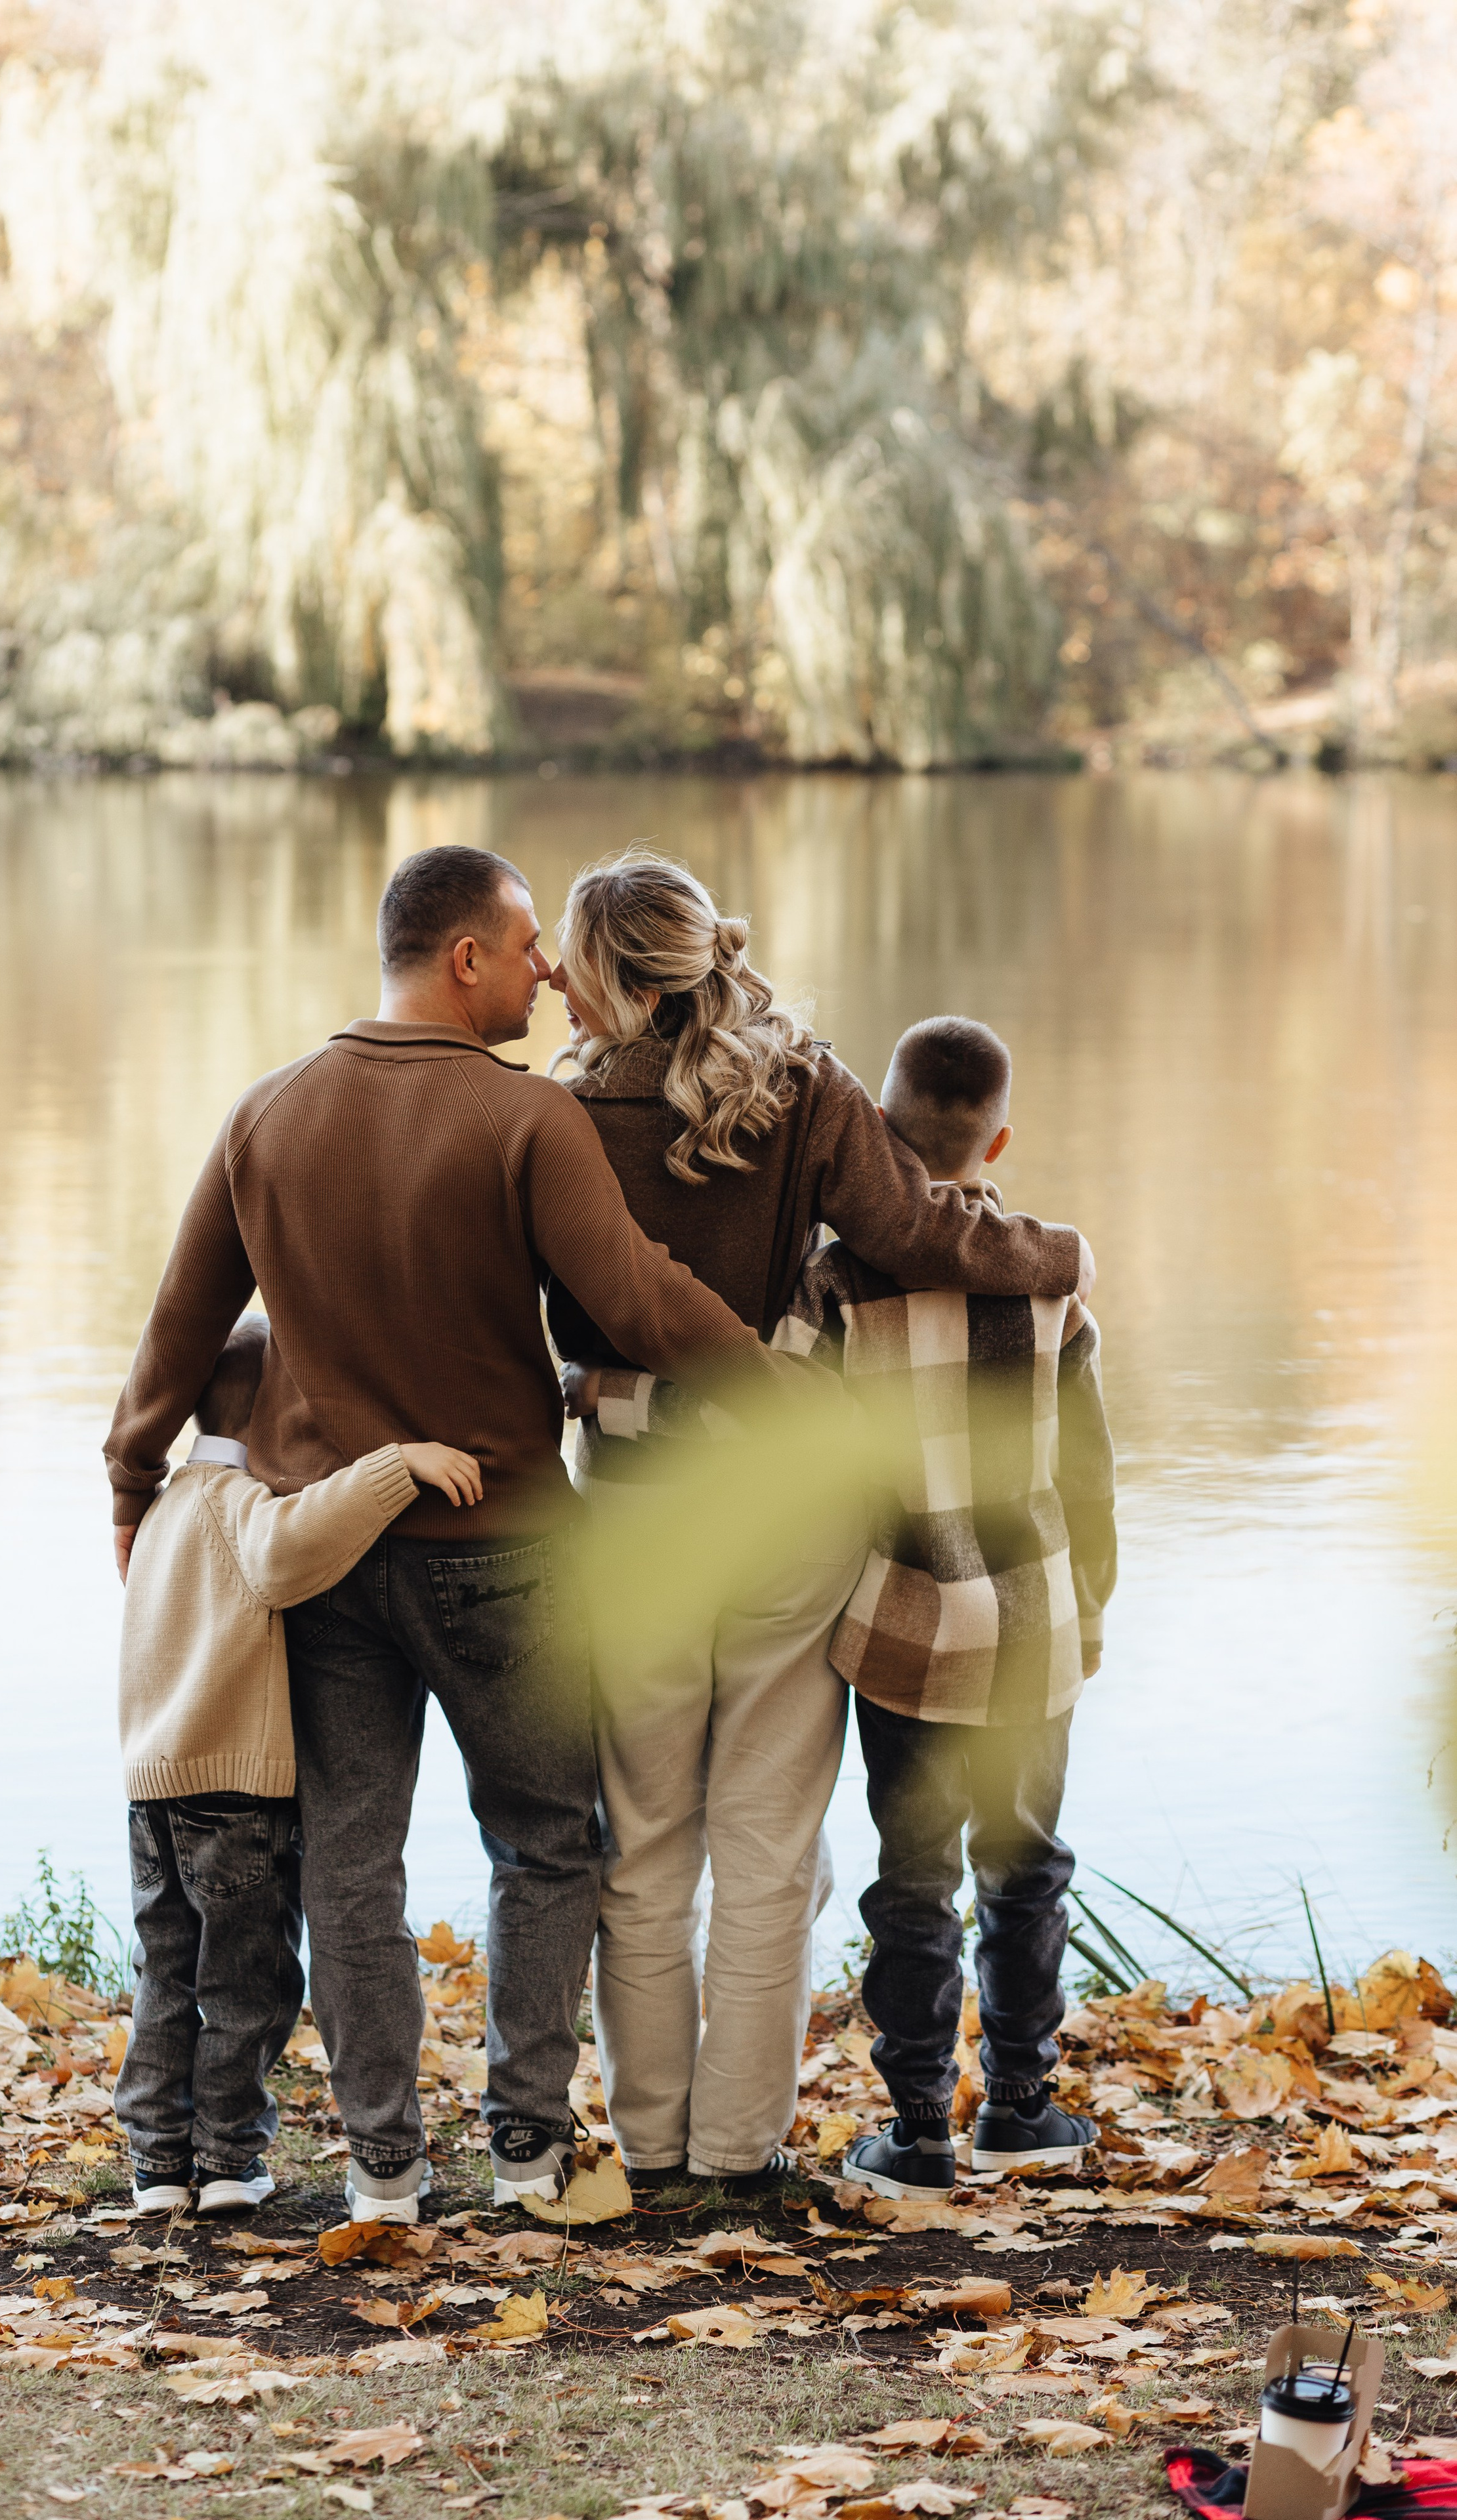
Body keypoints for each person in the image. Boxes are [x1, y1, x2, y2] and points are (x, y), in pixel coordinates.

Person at [104, 845, 780, 2225]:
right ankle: (526, 2149)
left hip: (328, 1551)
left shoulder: (267, 1115)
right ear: (461, 955)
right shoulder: (524, 1122)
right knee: (544, 1840)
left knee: (353, 1859)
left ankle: (381, 2169)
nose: (547, 970)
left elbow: (175, 1333)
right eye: (526, 944)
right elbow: (641, 1306)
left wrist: (130, 1479)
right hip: (506, 1553)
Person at [547, 852, 1092, 2193]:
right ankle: (741, 2149)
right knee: (768, 1840)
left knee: (645, 1834)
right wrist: (1054, 1258)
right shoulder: (800, 1086)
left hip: (628, 1505)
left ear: (602, 970)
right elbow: (916, 1233)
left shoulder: (547, 1114)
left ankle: (651, 2143)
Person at [784, 1016, 1116, 2198]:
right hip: (1034, 1626)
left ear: (878, 1129)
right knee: (1025, 1866)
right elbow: (1089, 1466)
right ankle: (1023, 2106)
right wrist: (1094, 1600)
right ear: (1001, 1136)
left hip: (907, 1628)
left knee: (911, 1874)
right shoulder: (1052, 1281)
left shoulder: (835, 1282)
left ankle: (920, 2125)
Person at [113, 1312, 482, 2217]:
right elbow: (291, 1550)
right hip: (237, 1793)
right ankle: (229, 2158)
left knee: (167, 1975)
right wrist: (399, 1464)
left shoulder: (163, 1507)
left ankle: (159, 2164)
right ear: (279, 1403)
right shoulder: (241, 1507)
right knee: (246, 1986)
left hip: (154, 1790)